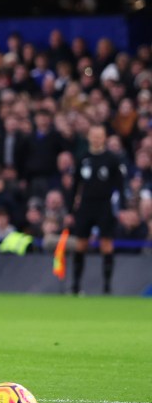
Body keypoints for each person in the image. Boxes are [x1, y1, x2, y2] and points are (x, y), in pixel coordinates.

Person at [70, 125, 126, 295]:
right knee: (81, 244)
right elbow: (75, 186)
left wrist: (122, 208)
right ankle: (76, 285)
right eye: (93, 136)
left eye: (99, 136)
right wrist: (70, 209)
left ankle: (107, 286)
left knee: (106, 244)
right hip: (86, 205)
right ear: (89, 137)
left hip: (104, 205)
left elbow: (120, 186)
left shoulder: (112, 159)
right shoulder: (82, 158)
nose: (96, 139)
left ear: (105, 138)